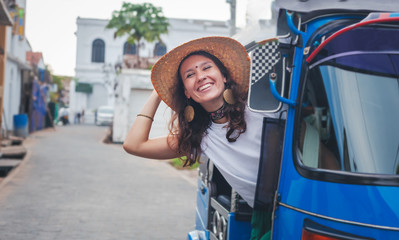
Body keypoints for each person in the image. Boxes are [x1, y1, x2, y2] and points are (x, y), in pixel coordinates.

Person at [123, 36, 284, 239]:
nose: (200, 77)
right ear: (187, 92)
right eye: (190, 75)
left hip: (306, 203)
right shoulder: (200, 138)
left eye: (207, 68)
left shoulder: (263, 106)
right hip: (267, 220)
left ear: (224, 76)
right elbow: (133, 144)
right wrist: (158, 92)